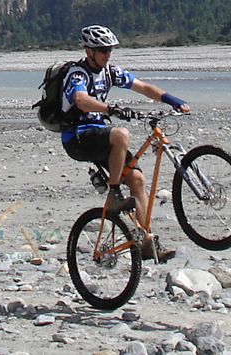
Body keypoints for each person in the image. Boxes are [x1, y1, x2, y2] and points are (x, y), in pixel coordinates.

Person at [59, 25, 191, 263]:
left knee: (138, 180)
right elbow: (80, 100)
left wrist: (170, 99)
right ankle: (113, 193)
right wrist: (110, 108)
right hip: (78, 138)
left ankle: (145, 243)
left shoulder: (110, 72)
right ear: (89, 51)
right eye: (102, 50)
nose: (107, 54)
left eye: (109, 50)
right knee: (121, 134)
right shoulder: (77, 74)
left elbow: (143, 87)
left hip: (100, 137)